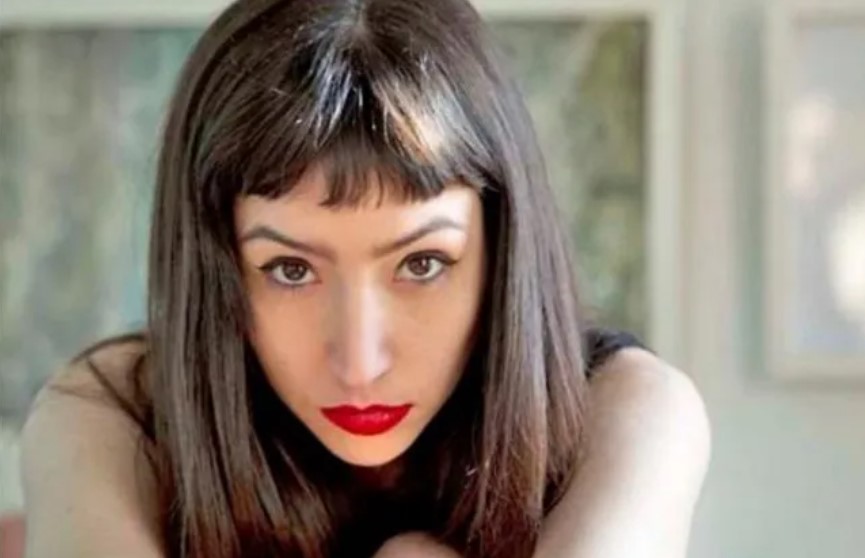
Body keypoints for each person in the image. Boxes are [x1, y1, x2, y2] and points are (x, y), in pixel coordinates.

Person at [20, 0, 711, 557]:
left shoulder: (629, 410)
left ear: (502, 246)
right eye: (290, 269)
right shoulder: (109, 413)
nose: (359, 362)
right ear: (215, 262)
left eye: (422, 263)